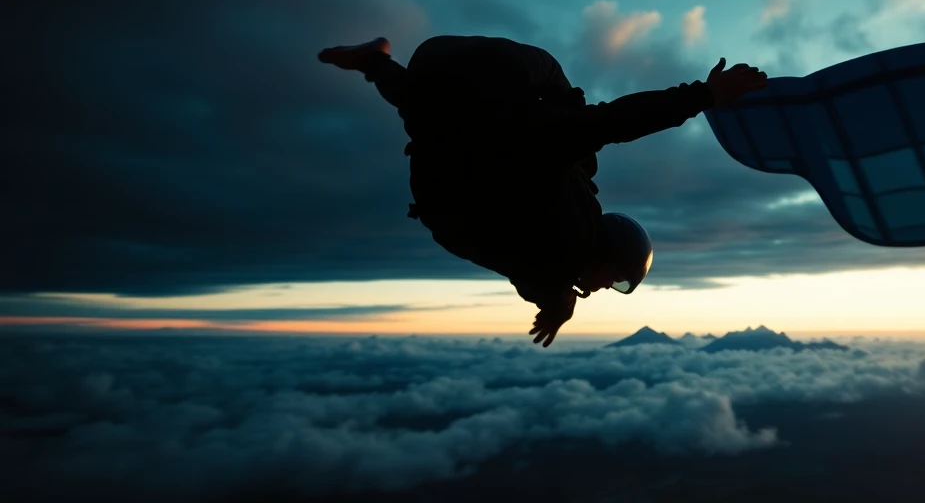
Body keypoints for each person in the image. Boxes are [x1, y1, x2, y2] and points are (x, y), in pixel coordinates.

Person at [318, 35, 767, 346]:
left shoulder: (550, 250)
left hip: (450, 87)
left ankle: (375, 60)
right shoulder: (555, 213)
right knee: (441, 110)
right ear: (606, 256)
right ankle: (376, 62)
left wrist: (559, 304)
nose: (607, 288)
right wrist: (701, 95)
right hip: (482, 87)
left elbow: (540, 273)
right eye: (617, 279)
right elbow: (616, 121)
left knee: (436, 110)